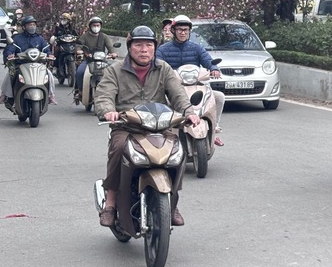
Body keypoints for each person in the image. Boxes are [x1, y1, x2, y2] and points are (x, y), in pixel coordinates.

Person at [95, 25, 200, 228]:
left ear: (155, 48)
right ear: (130, 47)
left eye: (149, 45)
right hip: (126, 125)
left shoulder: (164, 69)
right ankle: (110, 202)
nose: (144, 50)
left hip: (160, 126)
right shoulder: (114, 70)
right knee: (118, 148)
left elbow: (178, 94)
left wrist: (189, 112)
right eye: (139, 45)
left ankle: (173, 201)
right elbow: (104, 95)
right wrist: (108, 110)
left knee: (178, 153)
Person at [155, 15, 226, 146]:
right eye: (180, 29)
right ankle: (162, 131)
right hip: (173, 87)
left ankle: (214, 129)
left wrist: (214, 68)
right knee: (160, 101)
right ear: (174, 31)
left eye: (186, 30)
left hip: (195, 86)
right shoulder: (163, 50)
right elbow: (157, 64)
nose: (183, 32)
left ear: (189, 32)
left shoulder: (196, 48)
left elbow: (207, 60)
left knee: (219, 97)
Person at [0, 16, 56, 107]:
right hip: (21, 65)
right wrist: (10, 54)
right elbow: (10, 48)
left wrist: (49, 54)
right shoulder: (17, 38)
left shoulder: (40, 38)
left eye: (33, 25)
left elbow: (46, 49)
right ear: (24, 27)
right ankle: (7, 96)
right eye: (29, 25)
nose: (32, 27)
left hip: (38, 65)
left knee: (49, 75)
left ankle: (50, 96)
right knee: (10, 75)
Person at [75, 16, 118, 104]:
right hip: (88, 60)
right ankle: (79, 90)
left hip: (102, 60)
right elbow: (79, 46)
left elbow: (110, 47)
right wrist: (79, 50)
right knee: (80, 72)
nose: (96, 27)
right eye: (94, 25)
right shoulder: (85, 36)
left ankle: (112, 93)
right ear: (90, 26)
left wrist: (113, 53)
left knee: (113, 72)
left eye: (98, 25)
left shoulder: (104, 37)